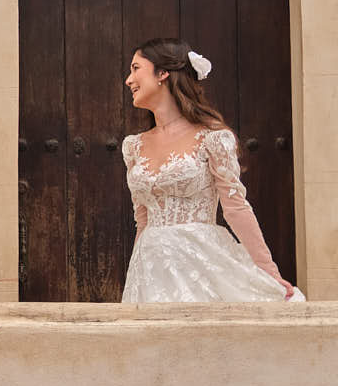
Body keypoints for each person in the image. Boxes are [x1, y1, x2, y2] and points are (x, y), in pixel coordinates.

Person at [120, 37, 302, 303]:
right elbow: (143, 220)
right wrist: (134, 282)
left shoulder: (213, 139)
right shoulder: (133, 147)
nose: (128, 80)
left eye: (136, 68)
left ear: (162, 74)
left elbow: (236, 208)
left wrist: (269, 272)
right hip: (149, 269)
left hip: (199, 264)